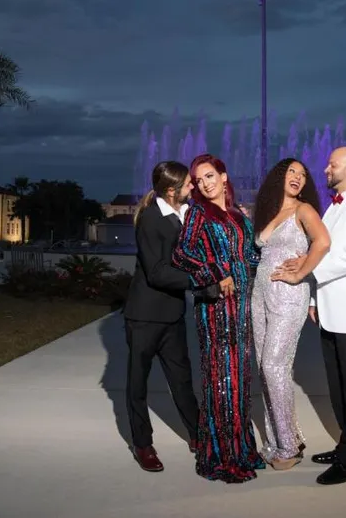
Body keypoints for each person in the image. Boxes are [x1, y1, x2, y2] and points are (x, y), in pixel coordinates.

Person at [272, 146, 346, 486]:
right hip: (330, 311)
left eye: (332, 164)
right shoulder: (333, 208)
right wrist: (313, 298)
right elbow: (319, 250)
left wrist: (306, 268)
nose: (325, 169)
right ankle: (345, 445)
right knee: (337, 387)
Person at [172, 153, 265, 484]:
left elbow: (250, 256)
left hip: (241, 306)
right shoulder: (198, 213)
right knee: (220, 377)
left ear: (224, 177)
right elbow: (182, 254)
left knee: (239, 377)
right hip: (215, 306)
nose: (204, 184)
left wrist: (278, 255)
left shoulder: (238, 215)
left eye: (209, 176)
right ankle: (221, 455)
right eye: (199, 180)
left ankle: (241, 449)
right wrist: (215, 272)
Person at [251, 158, 330, 470]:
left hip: (288, 296)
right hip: (260, 294)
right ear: (279, 177)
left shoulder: (304, 210)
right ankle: (278, 440)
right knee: (264, 368)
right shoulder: (269, 211)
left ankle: (288, 448)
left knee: (274, 366)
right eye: (291, 172)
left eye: (303, 174)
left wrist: (300, 273)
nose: (298, 177)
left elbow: (323, 242)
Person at [123, 161, 201, 472]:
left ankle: (198, 435)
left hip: (172, 314)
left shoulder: (186, 213)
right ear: (171, 190)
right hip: (144, 316)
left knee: (182, 380)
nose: (193, 187)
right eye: (188, 184)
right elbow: (156, 272)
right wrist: (199, 280)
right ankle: (143, 445)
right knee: (137, 384)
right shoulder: (151, 219)